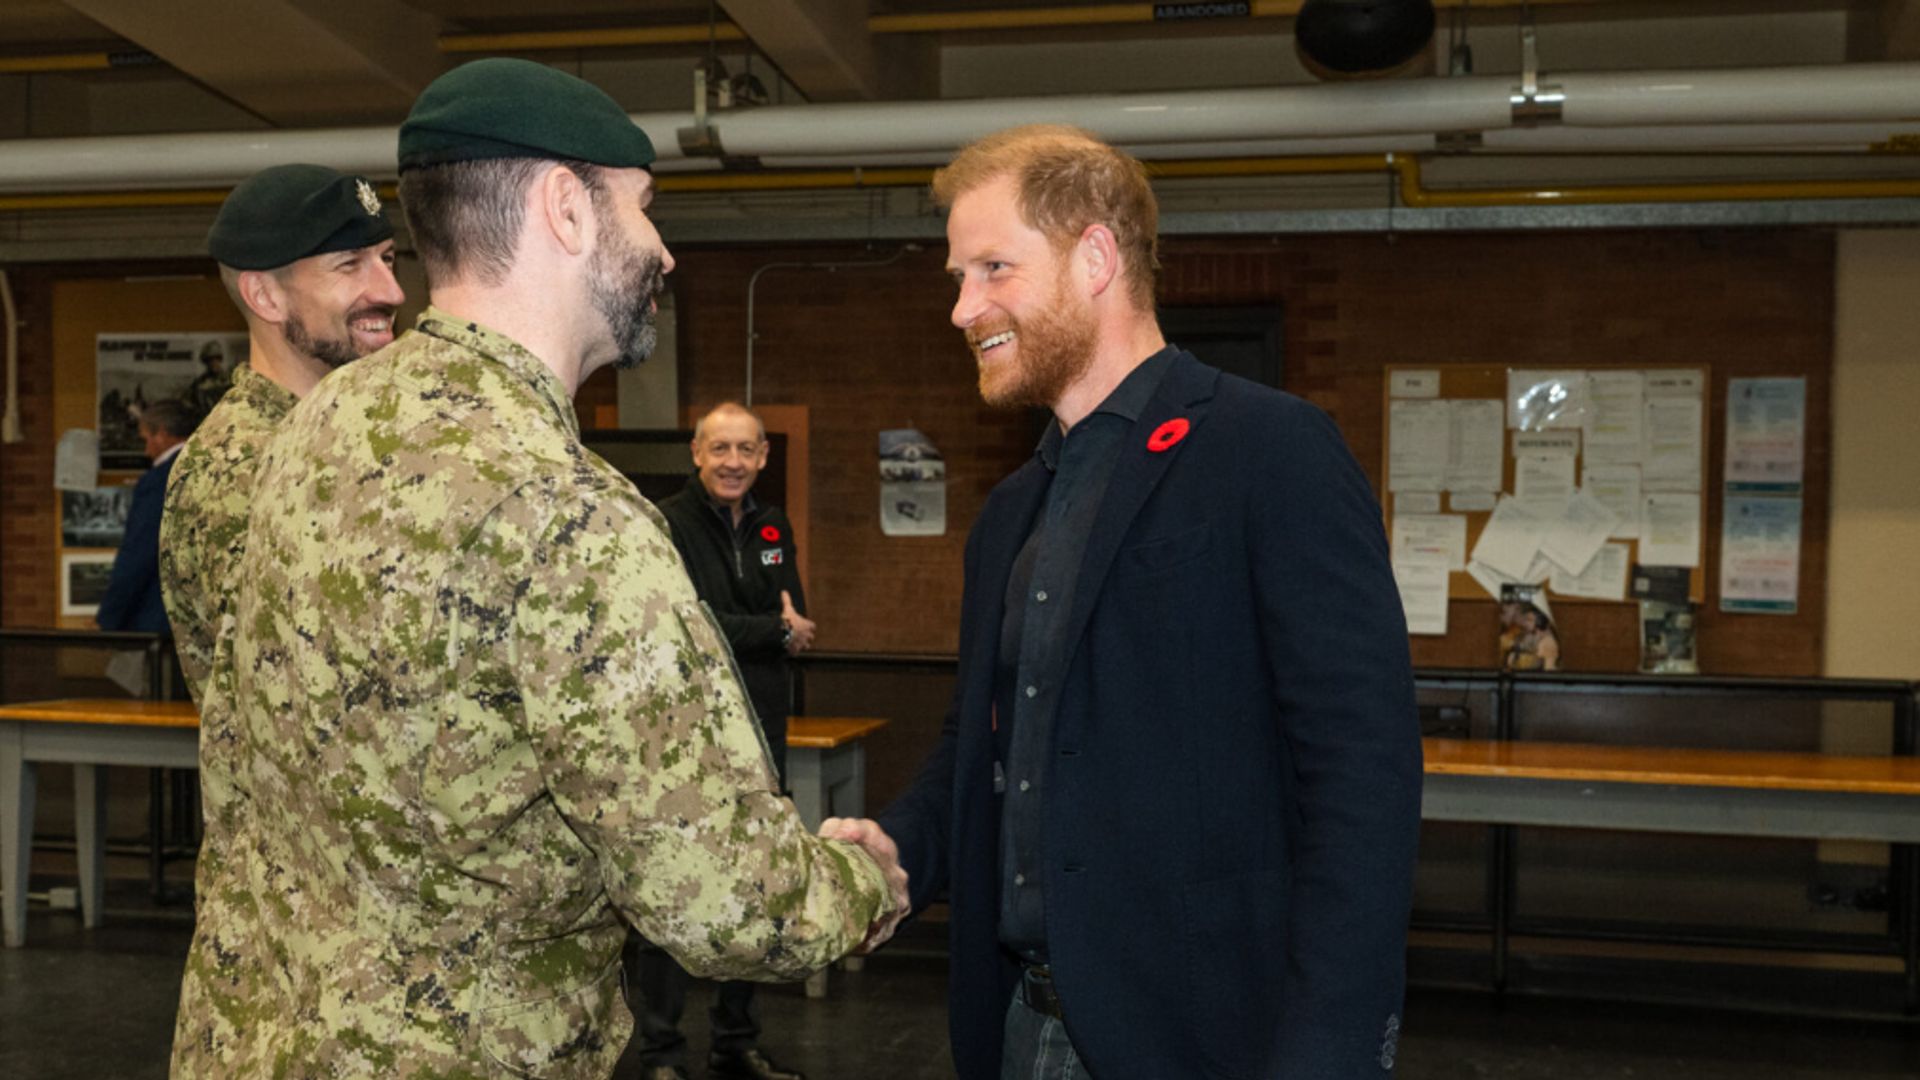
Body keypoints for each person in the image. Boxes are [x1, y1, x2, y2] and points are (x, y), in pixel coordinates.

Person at [170, 58, 905, 1078]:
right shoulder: (570, 518)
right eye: (644, 210)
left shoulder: (315, 427)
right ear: (567, 206)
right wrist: (861, 886)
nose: (663, 252)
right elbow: (729, 905)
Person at [836, 125, 1423, 1078]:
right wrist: (900, 845)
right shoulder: (1011, 514)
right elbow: (981, 751)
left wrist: (1332, 1048)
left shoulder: (1271, 452)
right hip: (1024, 1030)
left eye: (992, 268)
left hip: (1211, 1039)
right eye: (956, 276)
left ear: (1096, 256)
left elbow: (1364, 778)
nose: (961, 308)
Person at [162, 161, 404, 702]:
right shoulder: (241, 466)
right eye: (349, 265)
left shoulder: (348, 436)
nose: (391, 290)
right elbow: (301, 697)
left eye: (388, 259)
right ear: (266, 298)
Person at [633, 402, 816, 1080]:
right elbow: (695, 628)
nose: (733, 462)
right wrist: (771, 629)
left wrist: (775, 625)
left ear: (763, 456)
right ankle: (659, 1053)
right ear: (696, 453)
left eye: (746, 450)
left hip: (762, 732)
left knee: (754, 884)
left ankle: (735, 1042)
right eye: (720, 449)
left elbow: (793, 607)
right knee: (669, 888)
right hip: (688, 737)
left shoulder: (773, 525)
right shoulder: (668, 524)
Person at [94, 399, 196, 634]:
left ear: (161, 434)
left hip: (155, 617)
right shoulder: (208, 469)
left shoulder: (159, 481)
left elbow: (140, 553)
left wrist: (109, 618)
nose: (145, 450)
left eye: (145, 439)